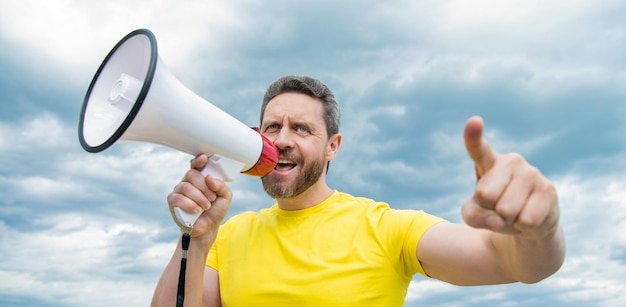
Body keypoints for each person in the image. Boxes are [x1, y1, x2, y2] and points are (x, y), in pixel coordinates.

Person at [151, 76, 565, 306]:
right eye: (272, 127)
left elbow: (516, 264)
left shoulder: (386, 228)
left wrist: (540, 230)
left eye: (302, 128)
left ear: (333, 146)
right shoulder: (227, 234)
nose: (282, 139)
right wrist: (195, 239)